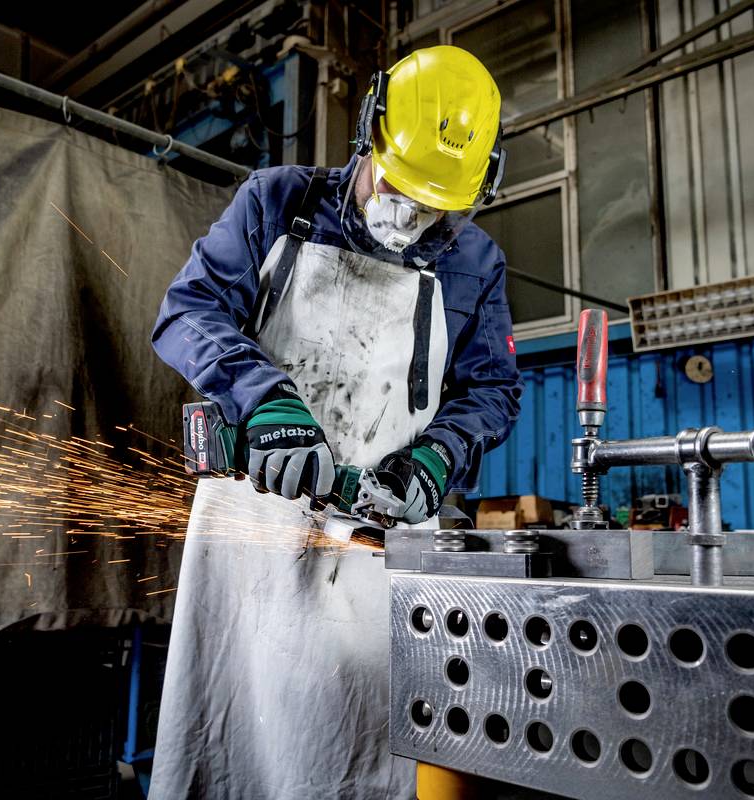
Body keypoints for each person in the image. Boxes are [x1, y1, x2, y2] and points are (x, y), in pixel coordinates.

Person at [147, 45, 522, 800]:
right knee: (230, 741)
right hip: (251, 527)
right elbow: (187, 312)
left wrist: (437, 461)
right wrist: (266, 401)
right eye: (400, 183)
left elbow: (493, 390)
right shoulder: (276, 202)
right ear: (369, 132)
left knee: (358, 745)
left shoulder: (475, 262)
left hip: (374, 543)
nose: (411, 211)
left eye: (435, 200)